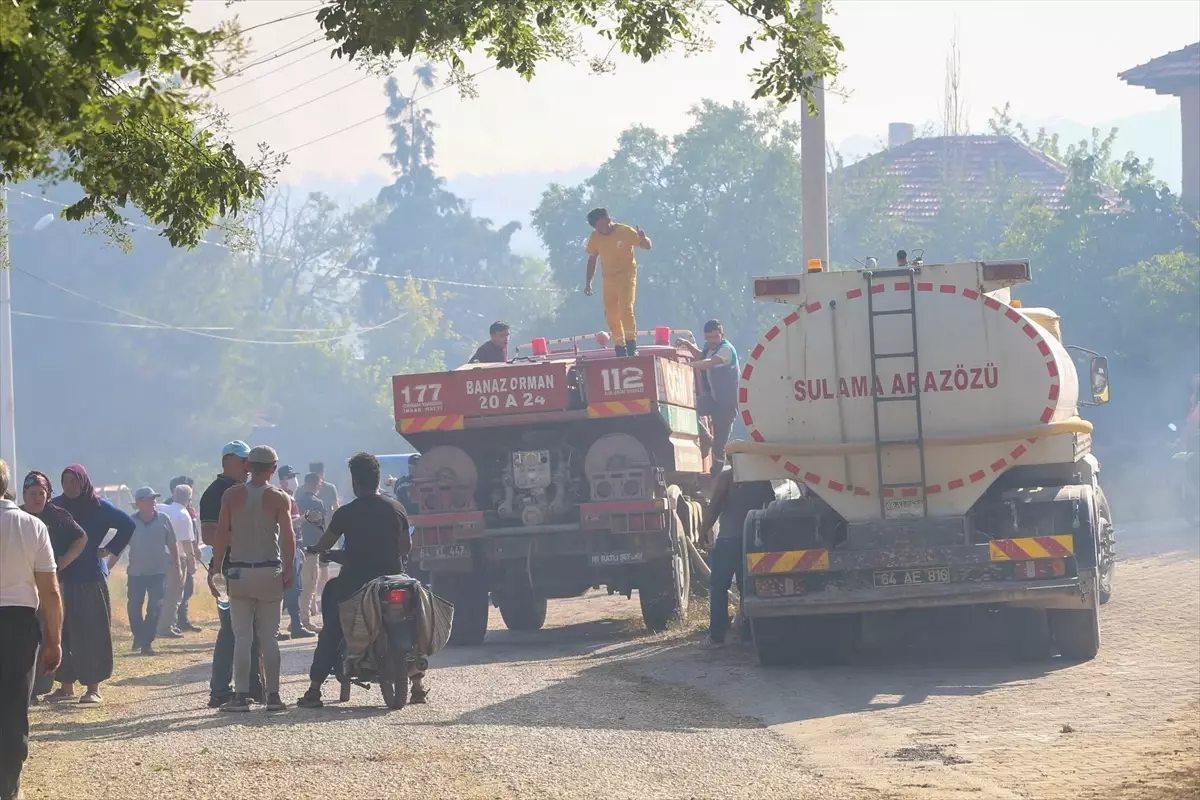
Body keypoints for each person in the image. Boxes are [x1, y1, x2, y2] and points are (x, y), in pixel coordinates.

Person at [296, 452, 411, 709]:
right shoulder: (397, 508)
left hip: (355, 584)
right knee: (412, 618)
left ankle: (314, 690)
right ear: (378, 479)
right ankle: (418, 683)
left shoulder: (346, 513)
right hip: (393, 580)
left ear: (355, 482)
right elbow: (406, 546)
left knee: (331, 629)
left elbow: (326, 542)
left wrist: (315, 548)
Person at [211, 446, 295, 712]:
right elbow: (288, 537)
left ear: (248, 466)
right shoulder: (280, 498)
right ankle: (273, 696)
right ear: (273, 468)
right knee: (269, 637)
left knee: (242, 637)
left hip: (239, 571)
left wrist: (216, 569)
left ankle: (241, 696)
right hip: (269, 570)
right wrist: (290, 568)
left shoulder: (232, 495)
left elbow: (222, 534)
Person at [44, 464, 134, 705]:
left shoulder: (98, 505)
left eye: (74, 481)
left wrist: (108, 550)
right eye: (65, 482)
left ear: (83, 482)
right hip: (62, 577)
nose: (69, 487)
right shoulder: (56, 506)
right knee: (63, 632)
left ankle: (93, 688)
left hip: (90, 578)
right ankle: (65, 686)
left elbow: (128, 524)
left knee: (91, 632)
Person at [0, 459, 63, 800]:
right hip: (19, 625)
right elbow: (51, 590)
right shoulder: (32, 526)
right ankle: (8, 787)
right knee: (13, 707)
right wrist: (54, 638)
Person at [199, 441, 263, 708]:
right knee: (230, 629)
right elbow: (208, 535)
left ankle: (251, 687)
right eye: (242, 461)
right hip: (226, 571)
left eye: (249, 462)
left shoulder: (249, 490)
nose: (248, 467)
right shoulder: (214, 494)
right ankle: (220, 689)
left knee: (252, 630)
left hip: (252, 566)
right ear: (228, 460)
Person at [19, 472, 85, 702]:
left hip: (52, 584)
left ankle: (64, 685)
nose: (37, 498)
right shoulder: (18, 516)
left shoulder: (57, 515)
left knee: (56, 633)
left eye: (42, 493)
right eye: (33, 493)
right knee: (29, 636)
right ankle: (32, 689)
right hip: (25, 586)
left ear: (48, 495)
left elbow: (81, 538)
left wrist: (62, 562)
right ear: (24, 494)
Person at [698, 468, 775, 647]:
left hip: (728, 541)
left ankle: (717, 636)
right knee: (746, 587)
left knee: (718, 586)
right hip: (750, 541)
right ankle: (747, 635)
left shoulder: (727, 477)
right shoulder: (761, 479)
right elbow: (771, 506)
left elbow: (715, 506)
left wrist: (703, 531)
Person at [583, 207, 651, 357]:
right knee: (611, 313)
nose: (600, 230)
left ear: (609, 220)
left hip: (626, 275)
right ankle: (620, 346)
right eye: (596, 227)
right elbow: (592, 259)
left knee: (626, 308)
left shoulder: (625, 231)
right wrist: (588, 283)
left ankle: (631, 345)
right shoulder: (595, 237)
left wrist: (643, 239)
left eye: (601, 225)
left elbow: (647, 246)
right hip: (608, 278)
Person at [122, 488, 181, 656]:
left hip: (158, 572)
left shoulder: (163, 519)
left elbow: (172, 544)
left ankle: (146, 642)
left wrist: (177, 566)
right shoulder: (130, 522)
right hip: (136, 573)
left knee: (155, 607)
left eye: (154, 499)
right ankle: (139, 635)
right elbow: (120, 546)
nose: (153, 502)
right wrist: (109, 565)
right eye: (149, 499)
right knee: (134, 608)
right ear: (139, 503)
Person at [677, 320, 740, 475]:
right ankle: (705, 436)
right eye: (709, 338)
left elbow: (709, 362)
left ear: (722, 335)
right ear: (705, 337)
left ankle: (716, 476)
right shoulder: (709, 348)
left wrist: (688, 367)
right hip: (712, 398)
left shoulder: (726, 349)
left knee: (719, 447)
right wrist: (688, 345)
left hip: (726, 404)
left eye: (715, 337)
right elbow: (702, 355)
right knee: (689, 407)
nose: (713, 341)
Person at [156, 484, 198, 640]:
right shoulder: (184, 515)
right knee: (174, 595)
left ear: (174, 495)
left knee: (159, 593)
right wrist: (193, 563)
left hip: (160, 556)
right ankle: (166, 626)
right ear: (189, 499)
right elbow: (187, 543)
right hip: (177, 559)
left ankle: (157, 623)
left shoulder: (161, 508)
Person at [277, 466, 314, 640]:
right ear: (283, 479)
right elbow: (288, 526)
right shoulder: (281, 497)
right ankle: (279, 627)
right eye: (290, 476)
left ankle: (296, 624)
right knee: (288, 588)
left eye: (294, 476)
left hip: (294, 547)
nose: (293, 479)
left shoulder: (290, 498)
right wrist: (304, 519)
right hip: (285, 548)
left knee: (296, 588)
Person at [167, 477, 203, 633]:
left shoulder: (189, 507)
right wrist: (192, 555)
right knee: (179, 589)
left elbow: (192, 530)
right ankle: (174, 621)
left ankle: (182, 619)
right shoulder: (173, 507)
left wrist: (196, 547)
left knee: (187, 588)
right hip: (178, 553)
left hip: (187, 549)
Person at [295, 472, 327, 632]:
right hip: (311, 549)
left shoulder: (296, 501)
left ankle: (297, 617)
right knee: (309, 585)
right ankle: (304, 620)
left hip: (297, 548)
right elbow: (321, 526)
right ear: (316, 485)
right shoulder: (317, 503)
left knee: (299, 586)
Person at [310, 462, 340, 603]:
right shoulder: (329, 488)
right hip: (327, 531)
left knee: (314, 566)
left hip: (313, 531)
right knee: (323, 564)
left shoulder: (305, 487)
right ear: (322, 472)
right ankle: (319, 597)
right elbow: (336, 508)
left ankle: (315, 596)